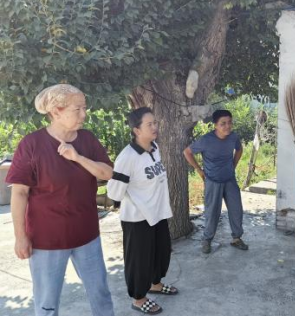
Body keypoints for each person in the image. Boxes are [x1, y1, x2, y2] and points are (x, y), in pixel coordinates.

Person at [6, 84, 115, 316]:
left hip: (87, 235)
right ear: (56, 111)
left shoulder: (87, 139)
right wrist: (20, 236)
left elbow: (106, 173)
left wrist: (78, 157)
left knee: (100, 294)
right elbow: (19, 193)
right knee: (47, 302)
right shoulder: (31, 144)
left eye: (84, 108)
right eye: (77, 109)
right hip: (47, 240)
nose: (84, 114)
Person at [107, 107, 177, 315]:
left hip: (158, 213)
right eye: (150, 124)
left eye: (155, 122)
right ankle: (138, 298)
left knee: (160, 253)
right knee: (139, 260)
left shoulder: (155, 148)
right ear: (137, 130)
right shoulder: (127, 157)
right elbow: (115, 193)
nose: (155, 127)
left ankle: (155, 284)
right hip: (137, 218)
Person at [183, 109, 247, 254]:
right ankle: (207, 240)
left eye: (230, 122)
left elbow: (239, 149)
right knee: (212, 212)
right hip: (213, 181)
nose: (227, 126)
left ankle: (236, 238)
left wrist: (233, 165)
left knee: (236, 209)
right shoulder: (206, 140)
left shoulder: (233, 137)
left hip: (229, 179)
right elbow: (187, 152)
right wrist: (199, 170)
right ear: (215, 125)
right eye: (223, 123)